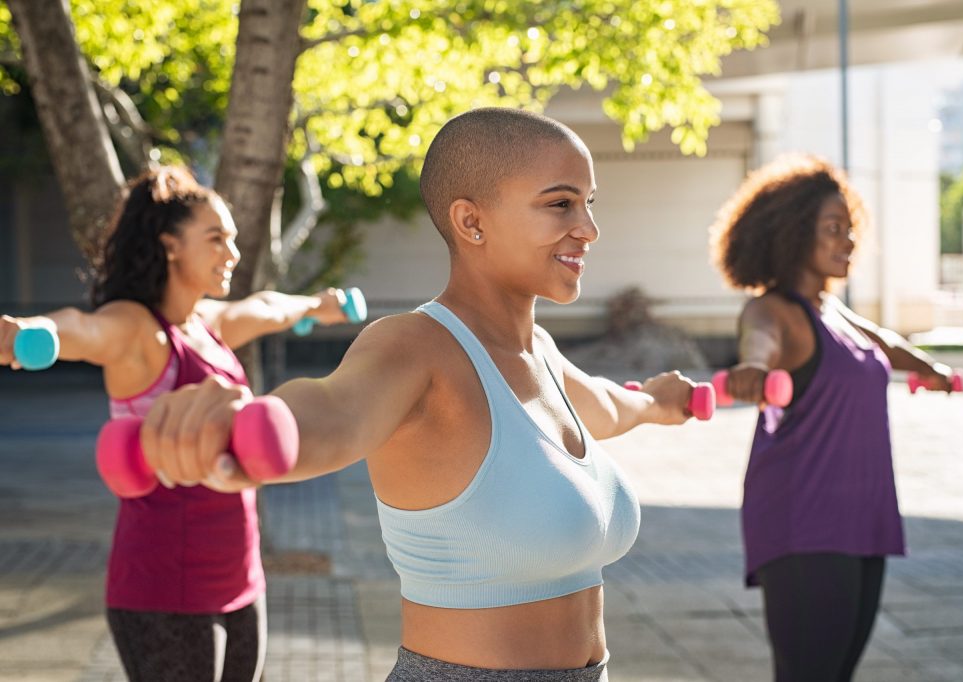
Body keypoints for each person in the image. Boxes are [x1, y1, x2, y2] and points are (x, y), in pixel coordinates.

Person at [119, 108, 707, 681]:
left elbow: (606, 405)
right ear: (471, 223)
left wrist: (659, 402)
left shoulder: (542, 355)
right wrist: (246, 428)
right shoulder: (415, 346)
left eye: (588, 203)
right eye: (559, 203)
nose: (588, 228)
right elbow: (334, 410)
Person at [0, 166, 357, 682]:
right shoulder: (140, 330)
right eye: (215, 239)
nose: (231, 253)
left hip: (240, 579)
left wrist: (318, 307)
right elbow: (87, 328)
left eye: (232, 239)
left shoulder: (208, 325)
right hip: (164, 588)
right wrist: (39, 331)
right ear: (170, 245)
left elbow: (265, 306)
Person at [709, 154, 956, 682]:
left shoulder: (834, 311)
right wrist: (753, 369)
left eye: (851, 229)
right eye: (833, 229)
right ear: (795, 233)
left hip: (864, 519)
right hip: (806, 521)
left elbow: (887, 344)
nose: (848, 242)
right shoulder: (773, 310)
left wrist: (931, 368)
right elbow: (760, 342)